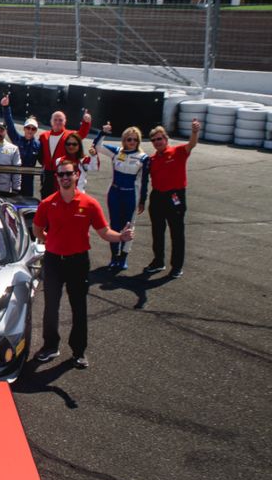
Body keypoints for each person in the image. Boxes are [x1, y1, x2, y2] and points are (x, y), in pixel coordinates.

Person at [33, 158, 134, 368]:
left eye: (69, 173)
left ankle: (78, 351)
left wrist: (121, 237)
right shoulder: (47, 203)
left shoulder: (89, 204)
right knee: (51, 307)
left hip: (78, 262)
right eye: (61, 174)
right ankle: (50, 346)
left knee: (79, 307)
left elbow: (105, 232)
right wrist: (50, 240)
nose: (65, 178)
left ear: (76, 175)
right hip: (53, 261)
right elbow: (37, 230)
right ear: (57, 177)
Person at [143, 120, 199, 279]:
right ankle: (158, 261)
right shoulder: (151, 160)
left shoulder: (178, 152)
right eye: (154, 140)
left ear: (166, 139)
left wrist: (194, 132)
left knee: (177, 232)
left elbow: (192, 144)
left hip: (175, 196)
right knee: (157, 232)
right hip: (157, 197)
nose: (157, 142)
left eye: (160, 139)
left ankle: (177, 266)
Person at [91, 123, 150, 271]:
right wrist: (103, 132)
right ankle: (114, 257)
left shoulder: (143, 158)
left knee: (128, 226)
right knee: (114, 225)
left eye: (135, 140)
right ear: (124, 140)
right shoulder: (117, 152)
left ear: (139, 141)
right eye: (129, 139)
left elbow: (144, 181)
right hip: (115, 194)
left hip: (130, 195)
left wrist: (142, 200)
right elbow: (97, 146)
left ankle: (123, 257)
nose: (132, 142)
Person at [39, 109, 92, 197]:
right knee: (45, 197)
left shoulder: (69, 134)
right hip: (47, 173)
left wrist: (86, 123)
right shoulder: (43, 136)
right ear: (51, 121)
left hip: (62, 173)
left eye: (60, 120)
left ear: (65, 121)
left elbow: (81, 134)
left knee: (61, 197)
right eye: (55, 120)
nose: (57, 122)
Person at [1, 95, 41, 197]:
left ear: (36, 131)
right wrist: (6, 107)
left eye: (33, 129)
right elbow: (9, 125)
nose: (30, 130)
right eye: (28, 128)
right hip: (15, 178)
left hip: (28, 180)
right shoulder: (17, 139)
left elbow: (44, 160)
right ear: (24, 128)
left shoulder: (38, 144)